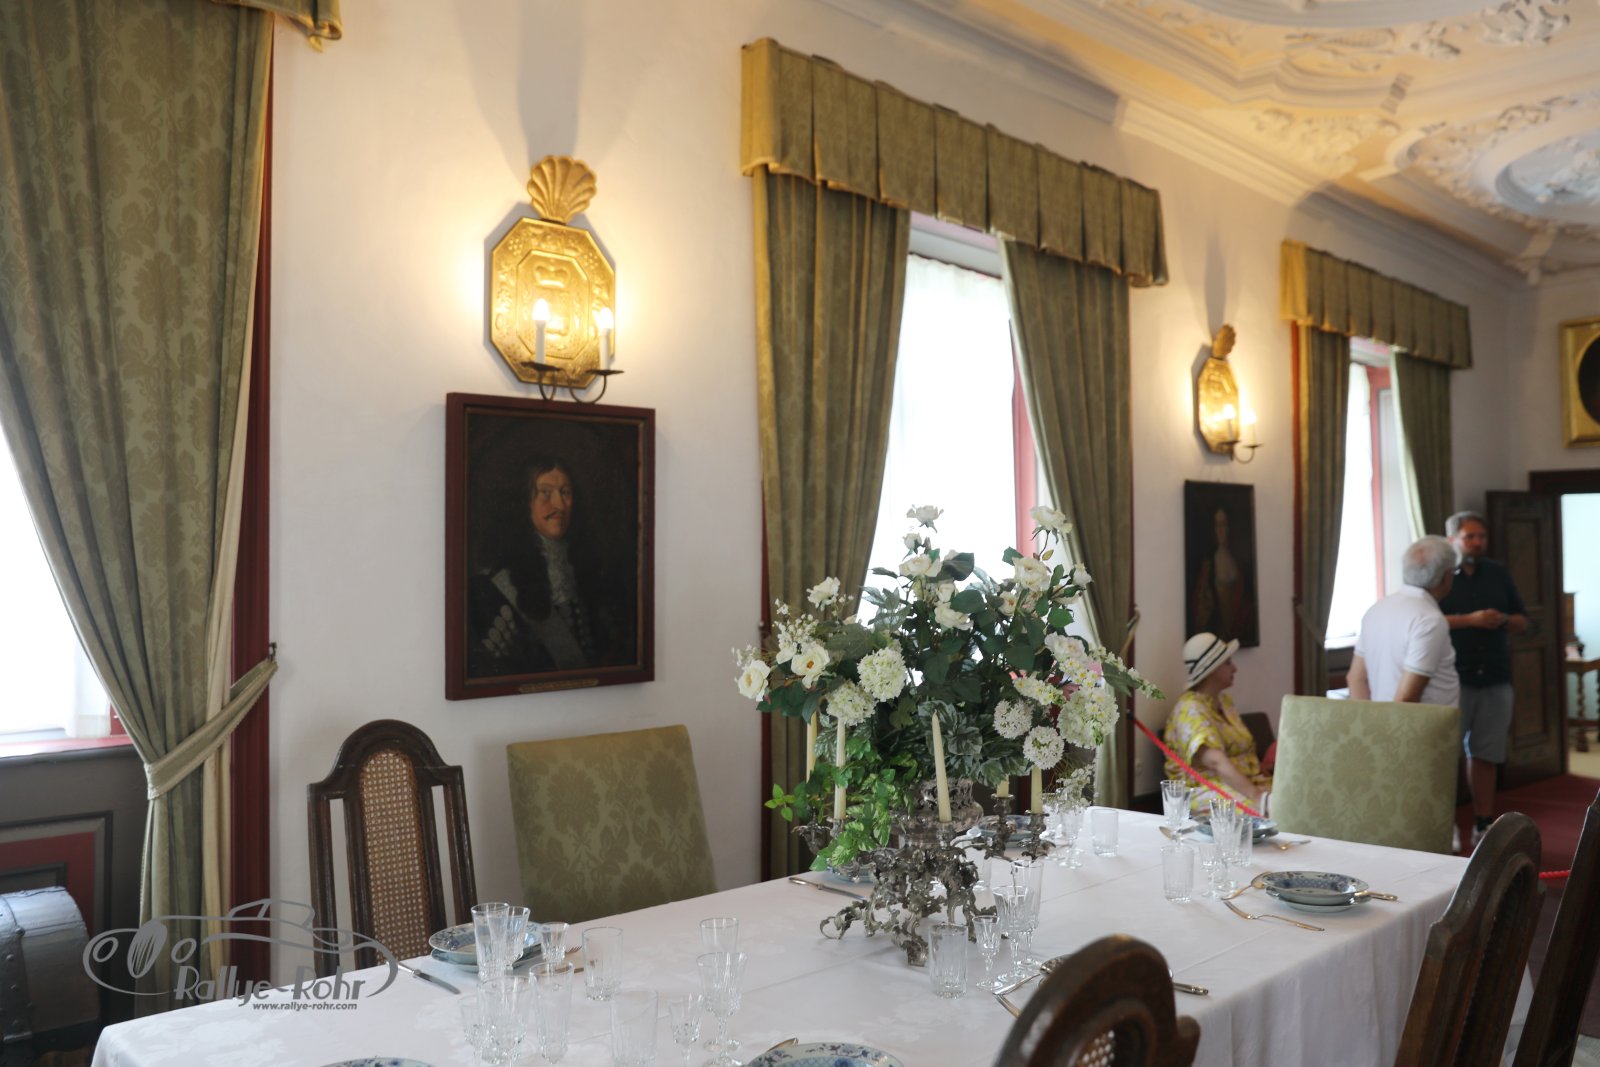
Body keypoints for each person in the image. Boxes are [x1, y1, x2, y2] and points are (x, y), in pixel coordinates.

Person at [468, 457, 625, 677]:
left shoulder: (587, 568)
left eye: (565, 492)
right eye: (545, 493)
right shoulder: (493, 585)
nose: (559, 505)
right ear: (524, 501)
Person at [1437, 510, 1527, 848]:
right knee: (1444, 756)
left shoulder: (1497, 573)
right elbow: (1428, 621)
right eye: (1469, 536)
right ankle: (1443, 824)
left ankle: (1483, 824)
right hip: (1452, 679)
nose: (1477, 542)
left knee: (1486, 753)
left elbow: (1522, 620)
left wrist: (1501, 620)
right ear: (1453, 540)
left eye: (1481, 536)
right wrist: (1470, 620)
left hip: (1494, 675)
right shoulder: (1440, 575)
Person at [1347, 534, 1460, 707]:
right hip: (1420, 723)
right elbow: (1406, 697)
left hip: (1382, 720)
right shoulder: (1429, 620)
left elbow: (1356, 679)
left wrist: (1367, 721)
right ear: (1447, 576)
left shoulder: (1377, 609)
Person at [1162, 632, 1271, 810]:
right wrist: (1257, 796)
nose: (1234, 668)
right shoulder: (1190, 709)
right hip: (1204, 790)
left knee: (1293, 800)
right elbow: (1216, 763)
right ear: (1212, 669)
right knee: (1264, 811)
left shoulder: (1225, 702)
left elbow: (1244, 749)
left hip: (1243, 783)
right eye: (1228, 663)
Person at [1191, 505, 1255, 644]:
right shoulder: (1208, 566)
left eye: (1223, 524)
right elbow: (1200, 608)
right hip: (1217, 635)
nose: (1220, 530)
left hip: (1239, 632)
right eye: (1217, 525)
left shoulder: (1238, 564)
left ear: (1229, 527)